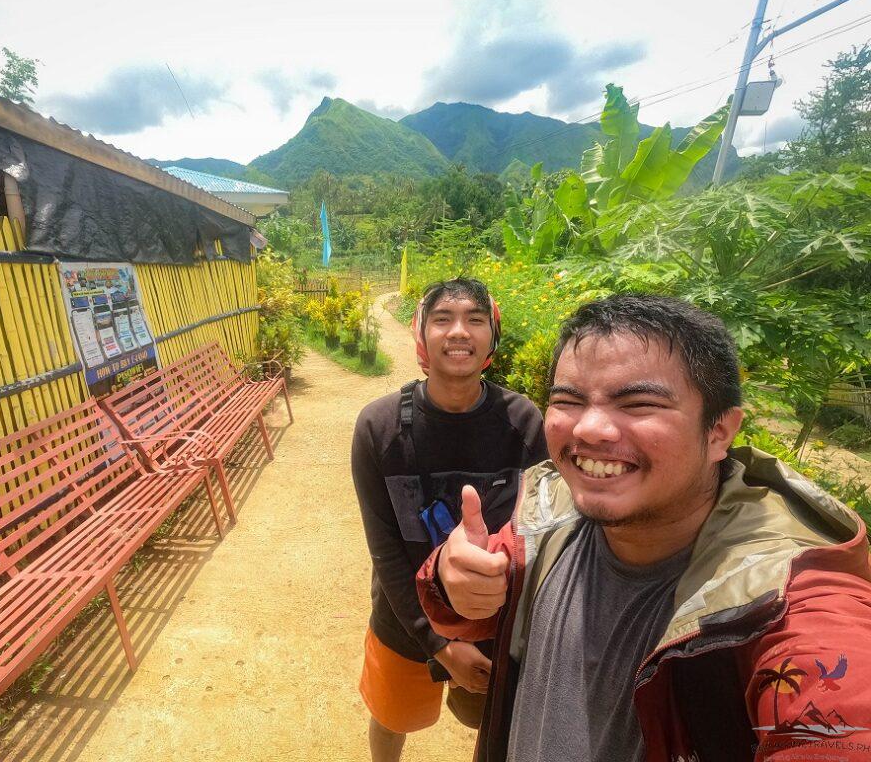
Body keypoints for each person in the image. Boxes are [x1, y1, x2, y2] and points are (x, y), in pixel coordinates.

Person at [418, 294, 871, 762]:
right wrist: (450, 580)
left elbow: (840, 703)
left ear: (719, 431)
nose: (590, 429)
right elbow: (465, 607)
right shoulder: (547, 514)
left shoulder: (792, 598)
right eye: (568, 400)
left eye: (638, 403)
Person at [352, 278, 548, 762]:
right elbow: (387, 554)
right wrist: (439, 643)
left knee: (491, 721)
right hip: (405, 621)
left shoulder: (524, 423)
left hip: (491, 623)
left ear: (492, 337)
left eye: (475, 320)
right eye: (443, 319)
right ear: (421, 335)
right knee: (391, 718)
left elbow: (542, 536)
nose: (459, 332)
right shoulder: (378, 428)